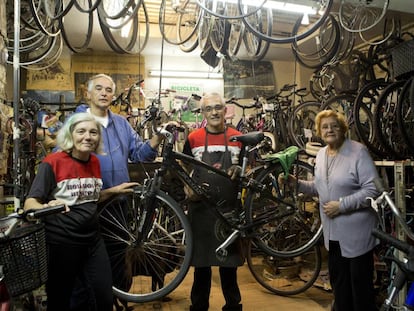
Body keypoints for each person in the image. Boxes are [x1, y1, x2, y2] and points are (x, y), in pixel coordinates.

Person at [24, 113, 139, 311]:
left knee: (103, 297)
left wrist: (113, 191)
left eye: (93, 132)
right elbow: (30, 203)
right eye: (81, 131)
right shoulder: (52, 163)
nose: (88, 137)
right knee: (61, 300)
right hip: (62, 243)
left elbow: (87, 197)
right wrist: (45, 207)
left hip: (93, 240)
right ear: (71, 135)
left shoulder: (94, 162)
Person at [74, 74, 165, 308]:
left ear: (113, 95)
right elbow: (62, 158)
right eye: (99, 89)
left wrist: (157, 138)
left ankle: (116, 303)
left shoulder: (122, 124)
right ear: (89, 93)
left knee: (117, 261)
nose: (104, 93)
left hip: (118, 206)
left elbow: (138, 154)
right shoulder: (76, 122)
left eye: (108, 90)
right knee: (88, 266)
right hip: (88, 207)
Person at [282, 110, 379, 311]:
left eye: (334, 126)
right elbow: (320, 188)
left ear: (343, 128)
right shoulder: (322, 154)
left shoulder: (358, 152)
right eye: (325, 127)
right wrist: (296, 184)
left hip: (357, 234)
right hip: (333, 235)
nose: (329, 130)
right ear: (319, 131)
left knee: (360, 290)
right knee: (340, 287)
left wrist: (342, 205)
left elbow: (373, 189)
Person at [182, 92, 244, 311]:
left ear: (225, 110)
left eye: (218, 107)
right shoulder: (193, 138)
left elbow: (249, 170)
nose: (215, 112)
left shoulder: (238, 137)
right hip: (201, 210)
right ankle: (199, 307)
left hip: (228, 211)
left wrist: (240, 169)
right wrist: (187, 187)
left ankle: (233, 307)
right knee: (201, 267)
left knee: (229, 268)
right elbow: (185, 170)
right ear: (203, 113)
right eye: (209, 109)